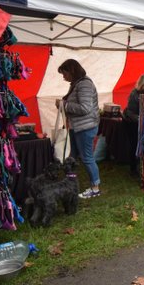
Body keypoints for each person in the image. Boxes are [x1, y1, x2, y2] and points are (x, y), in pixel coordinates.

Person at [57, 59, 101, 199]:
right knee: (72, 157)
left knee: (87, 158)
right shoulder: (77, 84)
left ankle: (95, 188)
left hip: (85, 127)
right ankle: (70, 184)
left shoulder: (85, 85)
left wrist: (65, 105)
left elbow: (85, 108)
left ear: (72, 71)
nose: (63, 77)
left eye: (64, 73)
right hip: (78, 126)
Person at [123, 74, 144, 178]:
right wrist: (140, 119)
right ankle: (133, 169)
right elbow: (130, 112)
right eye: (143, 90)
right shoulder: (134, 94)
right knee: (134, 145)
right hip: (133, 124)